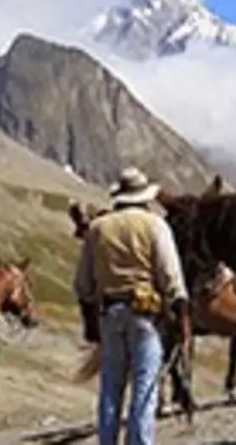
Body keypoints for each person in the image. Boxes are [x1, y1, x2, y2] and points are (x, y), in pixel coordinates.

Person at [73, 167, 190, 445]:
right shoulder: (155, 225)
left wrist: (91, 314)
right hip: (146, 315)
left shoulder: (98, 229)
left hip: (109, 314)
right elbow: (170, 274)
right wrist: (181, 310)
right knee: (145, 388)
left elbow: (83, 284)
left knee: (111, 388)